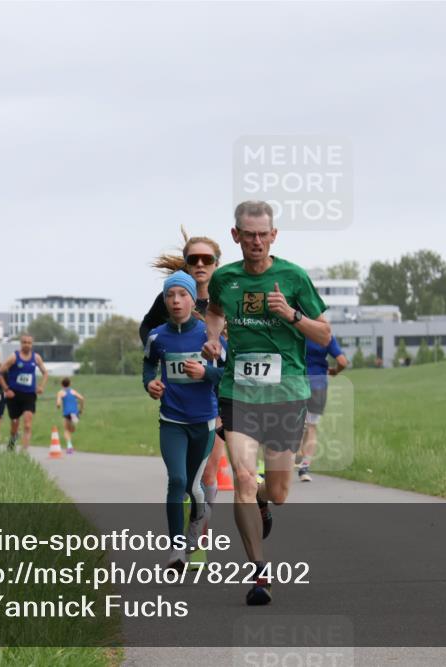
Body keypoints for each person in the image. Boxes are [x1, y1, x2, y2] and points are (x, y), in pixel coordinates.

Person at [202, 200, 331, 605]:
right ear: (235, 235)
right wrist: (212, 337)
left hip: (286, 395)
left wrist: (291, 314)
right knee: (241, 477)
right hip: (238, 393)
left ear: (273, 236)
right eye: (249, 233)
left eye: (264, 234)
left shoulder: (293, 277)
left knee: (276, 491)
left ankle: (263, 501)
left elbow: (324, 335)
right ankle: (260, 574)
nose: (256, 241)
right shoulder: (225, 279)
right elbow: (216, 312)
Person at [140, 228, 228, 512]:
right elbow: (148, 330)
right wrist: (162, 358)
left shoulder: (228, 297)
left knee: (216, 473)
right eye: (194, 259)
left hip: (222, 391)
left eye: (207, 259)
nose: (200, 264)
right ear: (187, 263)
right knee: (198, 476)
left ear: (217, 263)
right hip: (185, 399)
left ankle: (200, 528)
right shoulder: (172, 297)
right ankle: (196, 532)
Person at [144, 271, 225, 571]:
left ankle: (197, 520)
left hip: (203, 423)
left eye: (182, 295)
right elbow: (148, 366)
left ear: (194, 299)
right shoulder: (158, 337)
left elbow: (229, 375)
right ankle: (176, 549)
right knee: (176, 481)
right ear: (165, 301)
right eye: (170, 295)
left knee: (194, 487)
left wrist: (206, 373)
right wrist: (149, 385)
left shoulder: (209, 336)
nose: (176, 301)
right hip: (171, 420)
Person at [298, 336, 348, 482]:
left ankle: (296, 454)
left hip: (297, 383)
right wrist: (335, 371)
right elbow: (342, 362)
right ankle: (304, 467)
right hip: (319, 385)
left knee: (296, 425)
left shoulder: (297, 331)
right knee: (312, 427)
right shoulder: (325, 335)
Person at [0, 333, 48, 451]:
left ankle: (24, 452)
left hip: (29, 395)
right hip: (14, 395)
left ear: (32, 344)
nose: (27, 345)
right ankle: (12, 441)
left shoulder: (36, 357)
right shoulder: (14, 357)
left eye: (29, 343)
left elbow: (45, 373)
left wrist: (41, 386)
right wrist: (6, 389)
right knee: (15, 424)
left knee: (28, 423)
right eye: (24, 342)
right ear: (21, 343)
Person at [55, 378, 85, 454]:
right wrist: (81, 409)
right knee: (71, 429)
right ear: (70, 384)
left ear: (62, 384)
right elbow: (82, 398)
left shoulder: (60, 392)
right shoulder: (73, 391)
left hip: (67, 413)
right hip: (75, 413)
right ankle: (70, 446)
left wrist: (58, 406)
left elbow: (58, 403)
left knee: (67, 430)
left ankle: (69, 446)